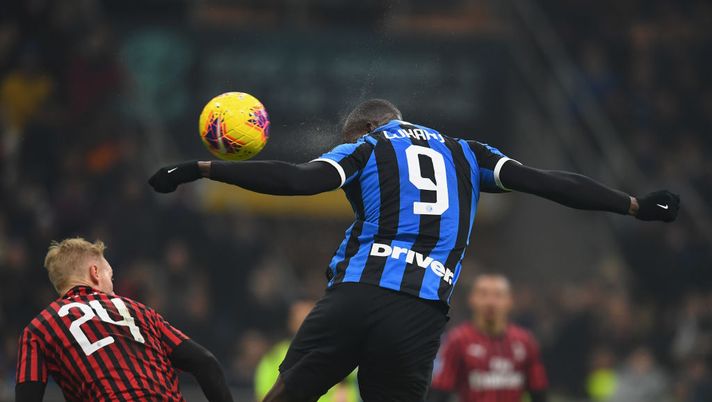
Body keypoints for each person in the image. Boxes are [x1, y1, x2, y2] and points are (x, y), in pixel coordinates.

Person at [149, 98, 680, 402]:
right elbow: (551, 182)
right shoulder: (467, 152)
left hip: (356, 296)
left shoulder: (368, 143)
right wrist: (632, 204)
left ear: (367, 126)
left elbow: (299, 180)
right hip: (419, 312)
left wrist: (202, 169)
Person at [15, 238, 233, 402]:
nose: (112, 285)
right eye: (110, 276)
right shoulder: (138, 311)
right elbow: (206, 363)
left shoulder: (39, 328)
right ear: (95, 273)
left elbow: (28, 395)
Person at [428, 274, 548, 402]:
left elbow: (539, 391)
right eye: (483, 294)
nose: (490, 302)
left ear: (510, 301)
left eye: (498, 295)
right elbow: (440, 392)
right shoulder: (458, 340)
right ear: (471, 299)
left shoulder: (525, 341)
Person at [254, 299, 359, 402]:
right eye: (299, 319)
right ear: (290, 323)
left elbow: (346, 387)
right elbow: (265, 394)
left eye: (308, 318)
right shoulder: (274, 356)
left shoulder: (334, 350)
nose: (304, 324)